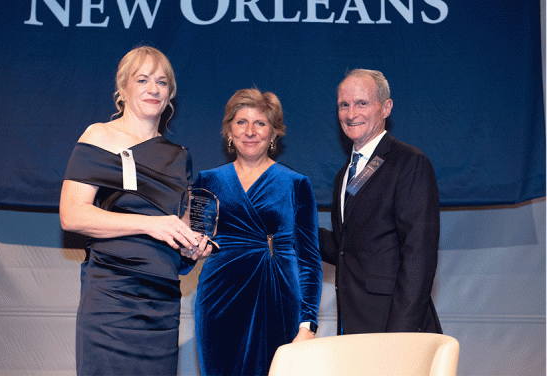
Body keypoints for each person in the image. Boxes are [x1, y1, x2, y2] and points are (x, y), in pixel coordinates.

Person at [59, 45, 212, 376]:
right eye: (142, 80)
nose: (153, 89)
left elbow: (182, 229)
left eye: (162, 82)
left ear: (171, 94)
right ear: (123, 88)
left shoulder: (178, 155)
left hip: (161, 303)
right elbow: (72, 214)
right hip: (111, 296)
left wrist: (194, 245)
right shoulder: (98, 135)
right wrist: (150, 224)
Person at [194, 88, 322, 376]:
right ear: (228, 130)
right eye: (241, 122)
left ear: (274, 133)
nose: (250, 131)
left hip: (277, 300)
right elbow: (189, 251)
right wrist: (186, 249)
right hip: (218, 301)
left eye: (260, 123)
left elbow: (309, 261)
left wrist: (308, 323)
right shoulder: (207, 180)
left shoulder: (296, 184)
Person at [319, 69, 442, 335]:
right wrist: (291, 226)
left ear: (386, 108)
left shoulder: (409, 163)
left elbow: (419, 257)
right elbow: (346, 250)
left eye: (362, 103)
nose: (351, 114)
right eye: (344, 105)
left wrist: (398, 336)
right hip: (355, 326)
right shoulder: (344, 175)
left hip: (395, 329)